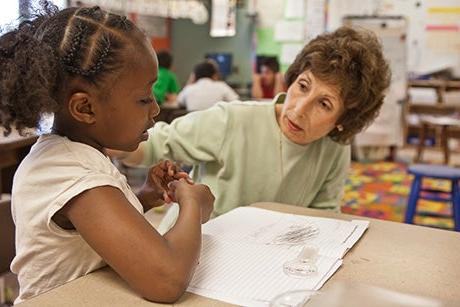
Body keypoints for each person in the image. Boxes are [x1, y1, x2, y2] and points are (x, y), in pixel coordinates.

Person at [0, 3, 214, 304]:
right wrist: (193, 205)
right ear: (85, 108)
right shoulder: (74, 171)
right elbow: (167, 279)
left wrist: (142, 197)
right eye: (143, 99)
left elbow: (87, 234)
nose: (155, 109)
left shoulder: (66, 154)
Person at [114, 26, 391, 232]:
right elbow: (155, 143)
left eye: (325, 104)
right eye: (303, 86)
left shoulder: (335, 148)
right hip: (194, 250)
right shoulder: (233, 119)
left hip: (266, 259)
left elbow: (323, 216)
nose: (299, 109)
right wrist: (103, 138)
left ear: (344, 120)